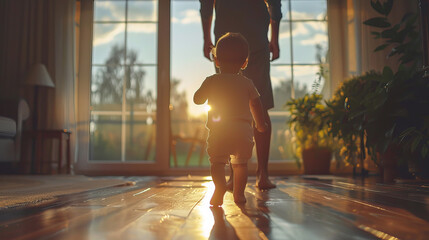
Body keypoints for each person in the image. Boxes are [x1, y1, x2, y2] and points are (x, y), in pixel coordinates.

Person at [200, 0, 282, 189]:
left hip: (234, 39)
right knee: (257, 102)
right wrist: (274, 38)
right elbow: (275, 5)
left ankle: (250, 174)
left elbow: (206, 5)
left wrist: (206, 38)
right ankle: (258, 174)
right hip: (249, 38)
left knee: (231, 105)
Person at [194, 33, 268, 205]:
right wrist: (261, 124)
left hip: (219, 131)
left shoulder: (211, 81)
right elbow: (256, 105)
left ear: (216, 60)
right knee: (240, 165)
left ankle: (219, 188)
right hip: (242, 131)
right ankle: (239, 194)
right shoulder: (248, 83)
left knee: (217, 164)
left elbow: (197, 99)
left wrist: (204, 91)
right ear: (245, 62)